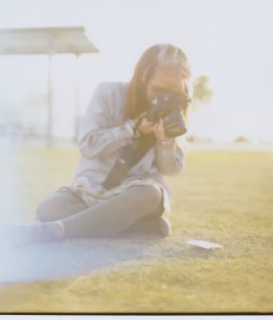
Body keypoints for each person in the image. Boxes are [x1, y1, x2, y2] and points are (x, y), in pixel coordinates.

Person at [12, 43, 192, 243]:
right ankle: (138, 225)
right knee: (48, 209)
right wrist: (131, 129)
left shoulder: (174, 109)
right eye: (158, 90)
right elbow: (88, 144)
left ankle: (59, 230)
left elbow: (173, 169)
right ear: (142, 78)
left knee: (151, 193)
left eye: (172, 92)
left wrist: (165, 142)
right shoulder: (108, 94)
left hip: (134, 193)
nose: (163, 98)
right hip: (92, 188)